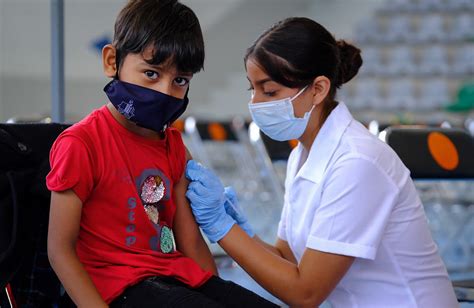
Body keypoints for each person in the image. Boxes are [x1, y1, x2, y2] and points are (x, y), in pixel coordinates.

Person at [185, 17, 459, 307]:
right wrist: (243, 233)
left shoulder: (357, 162)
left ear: (318, 89)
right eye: (252, 89)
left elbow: (305, 293)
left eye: (270, 91)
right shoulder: (301, 156)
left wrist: (221, 227)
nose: (256, 103)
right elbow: (288, 259)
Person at [46, 0, 277, 307]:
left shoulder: (174, 147)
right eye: (151, 74)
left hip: (173, 280)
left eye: (180, 81)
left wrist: (221, 294)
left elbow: (191, 241)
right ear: (112, 61)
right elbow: (60, 250)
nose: (165, 92)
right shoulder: (81, 143)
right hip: (117, 290)